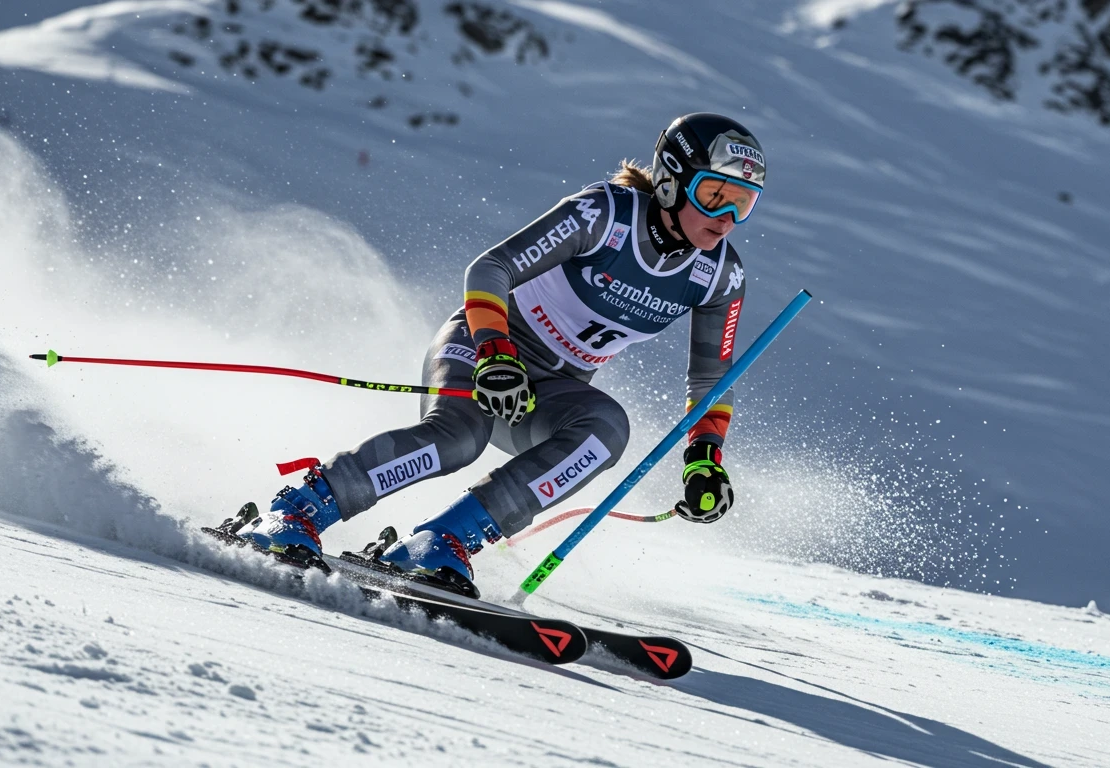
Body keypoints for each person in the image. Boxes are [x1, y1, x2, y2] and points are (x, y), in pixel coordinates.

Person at [239, 113, 765, 595]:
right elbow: (489, 270)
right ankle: (297, 510)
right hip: (483, 347)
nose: (725, 217)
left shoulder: (719, 275)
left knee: (607, 430)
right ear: (672, 180)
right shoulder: (605, 215)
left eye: (742, 203)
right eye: (714, 193)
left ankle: (439, 544)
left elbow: (711, 379)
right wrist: (495, 351)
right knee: (459, 438)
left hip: (546, 395)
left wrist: (705, 457)